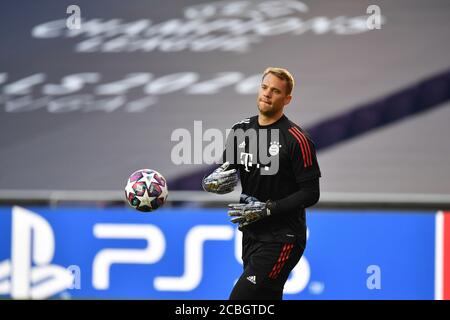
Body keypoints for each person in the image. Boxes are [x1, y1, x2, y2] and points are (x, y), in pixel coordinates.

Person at [202, 67, 321, 300]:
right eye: (264, 87)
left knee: (240, 302)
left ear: (287, 99)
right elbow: (227, 171)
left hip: (283, 238)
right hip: (251, 233)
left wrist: (268, 208)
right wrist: (211, 182)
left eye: (275, 91)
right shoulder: (241, 129)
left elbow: (311, 193)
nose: (267, 94)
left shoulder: (296, 139)